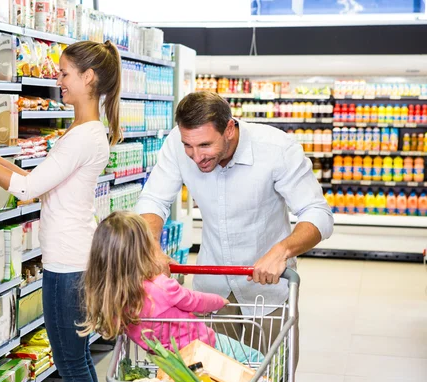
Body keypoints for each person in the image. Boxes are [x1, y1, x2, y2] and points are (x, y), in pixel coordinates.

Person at [0, 40, 122, 382]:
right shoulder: (88, 132)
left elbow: (25, 189)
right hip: (77, 257)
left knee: (70, 363)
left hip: (68, 263)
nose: (59, 80)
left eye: (65, 73)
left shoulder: (82, 137)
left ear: (88, 78)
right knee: (79, 359)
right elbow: (38, 182)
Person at [134, 91, 334, 359]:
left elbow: (318, 213)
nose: (195, 156)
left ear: (229, 129)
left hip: (267, 290)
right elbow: (154, 199)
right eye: (188, 146)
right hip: (211, 288)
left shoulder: (276, 149)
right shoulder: (177, 143)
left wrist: (282, 251)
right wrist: (151, 248)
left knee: (272, 380)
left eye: (205, 145)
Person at [79, 211, 264, 364]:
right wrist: (219, 302)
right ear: (143, 251)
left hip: (170, 361)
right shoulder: (160, 286)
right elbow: (196, 301)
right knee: (258, 361)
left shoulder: (114, 301)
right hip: (203, 347)